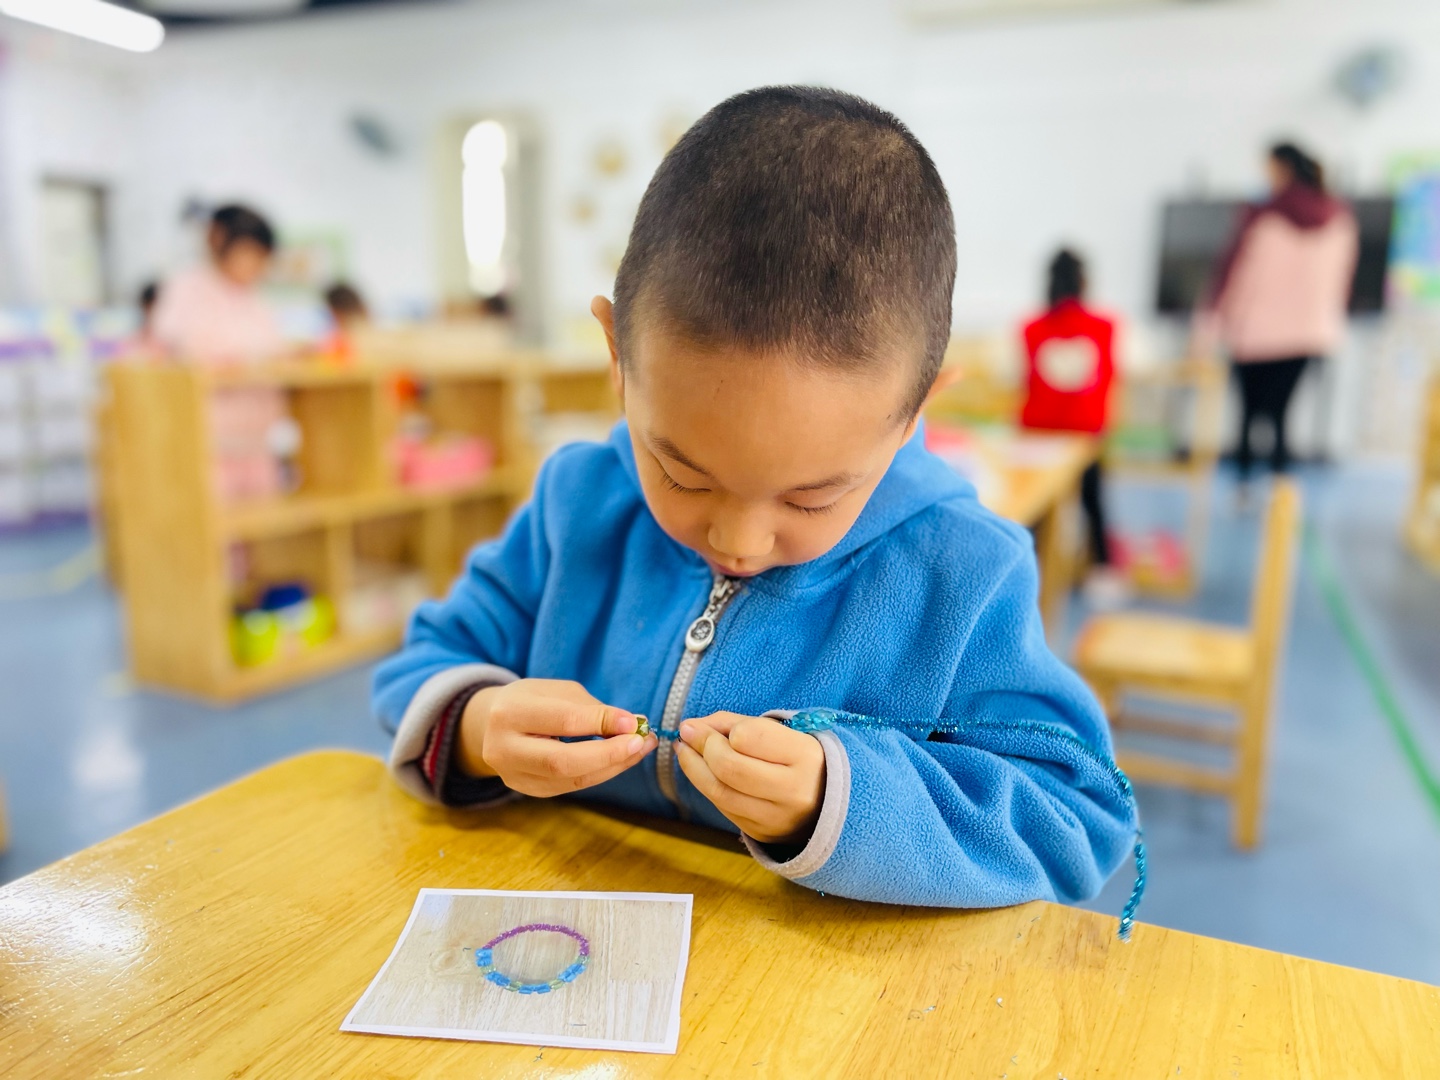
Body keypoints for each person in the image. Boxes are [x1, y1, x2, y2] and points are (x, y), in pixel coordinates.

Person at [374, 87, 1138, 911]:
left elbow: (1078, 814)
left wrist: (838, 799)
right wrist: (479, 725)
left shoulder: (964, 573)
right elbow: (426, 661)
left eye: (811, 499)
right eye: (683, 474)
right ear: (617, 358)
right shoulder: (578, 503)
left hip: (817, 981)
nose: (738, 540)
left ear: (914, 412)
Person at [1207, 142, 1357, 495]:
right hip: (1308, 333)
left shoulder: (1262, 216)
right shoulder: (1339, 218)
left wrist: (1213, 325)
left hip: (1254, 334)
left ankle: (1243, 489)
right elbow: (1341, 282)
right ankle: (1280, 496)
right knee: (1281, 416)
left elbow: (1236, 276)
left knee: (1248, 416)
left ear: (1281, 169)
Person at [1020, 249, 1125, 605]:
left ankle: (1026, 571)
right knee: (1093, 500)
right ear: (1083, 282)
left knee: (1035, 508)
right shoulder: (1105, 327)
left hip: (1038, 437)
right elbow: (1110, 381)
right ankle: (1103, 569)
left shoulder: (1031, 329)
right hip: (1085, 435)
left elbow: (1024, 384)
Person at [151, 203, 285, 364]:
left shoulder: (252, 295)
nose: (260, 268)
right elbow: (173, 341)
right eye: (252, 255)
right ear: (217, 240)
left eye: (263, 259)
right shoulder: (185, 286)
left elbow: (271, 344)